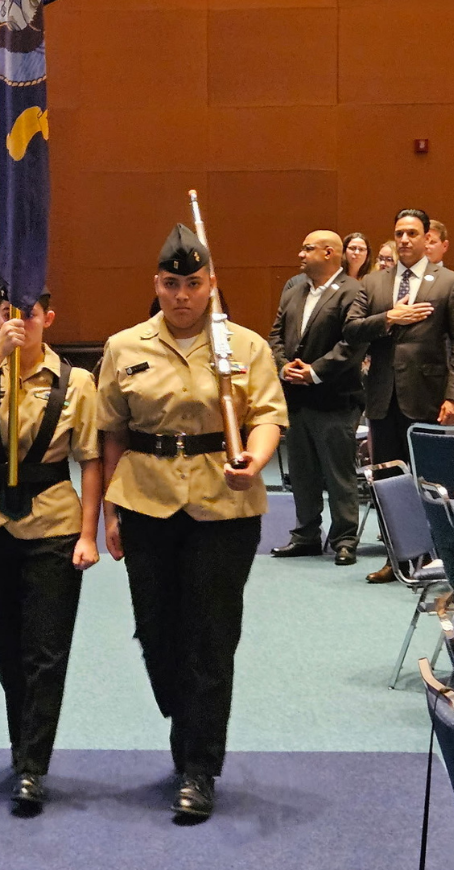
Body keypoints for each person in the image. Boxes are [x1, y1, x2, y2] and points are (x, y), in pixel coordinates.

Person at [97, 224, 286, 823]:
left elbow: (267, 417)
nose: (182, 294)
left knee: (210, 633)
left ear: (211, 285)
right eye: (172, 283)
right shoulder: (124, 347)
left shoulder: (245, 347)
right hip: (147, 499)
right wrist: (107, 511)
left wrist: (253, 460)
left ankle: (199, 766)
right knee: (157, 633)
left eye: (194, 283)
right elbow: (112, 434)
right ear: (157, 284)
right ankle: (187, 724)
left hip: (222, 506)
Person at [0, 293, 102, 814]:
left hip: (52, 522)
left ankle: (33, 764)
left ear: (48, 318)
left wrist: (88, 533)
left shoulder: (74, 382)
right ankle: (23, 740)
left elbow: (92, 460)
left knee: (45, 651)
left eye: (29, 313)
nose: (20, 321)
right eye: (8, 312)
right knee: (2, 644)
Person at [344, 209, 454, 582]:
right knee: (388, 480)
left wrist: (452, 396)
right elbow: (353, 329)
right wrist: (390, 318)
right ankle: (399, 558)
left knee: (427, 479)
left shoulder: (447, 282)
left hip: (428, 394)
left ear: (427, 239)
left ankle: (437, 556)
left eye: (412, 233)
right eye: (399, 233)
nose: (405, 240)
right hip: (381, 396)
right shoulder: (374, 283)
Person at [268, 231, 366, 565]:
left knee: (338, 472)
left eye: (307, 248)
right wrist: (283, 368)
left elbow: (353, 343)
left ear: (329, 253)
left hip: (334, 397)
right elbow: (276, 335)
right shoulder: (294, 292)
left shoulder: (354, 291)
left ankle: (344, 538)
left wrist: (314, 371)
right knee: (302, 471)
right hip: (296, 397)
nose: (300, 254)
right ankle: (306, 534)